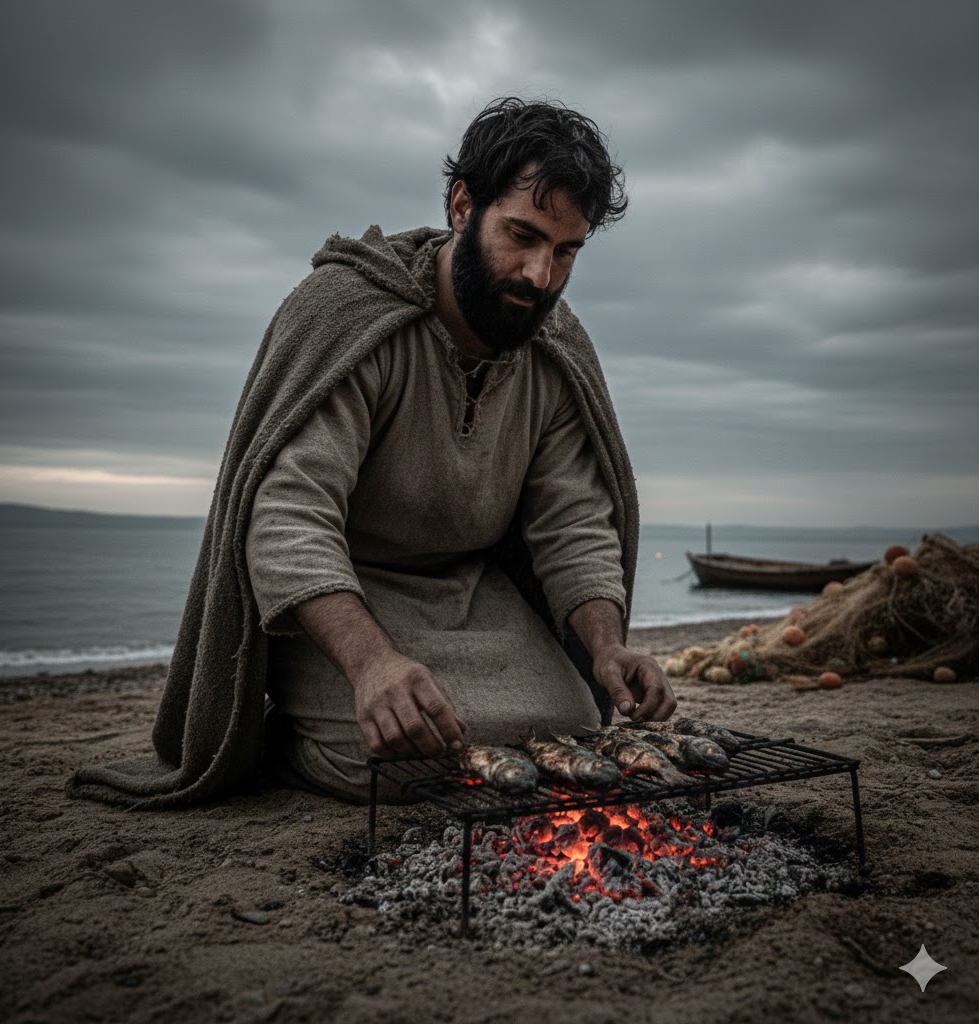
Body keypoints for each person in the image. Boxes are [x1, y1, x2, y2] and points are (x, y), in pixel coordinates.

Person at [66, 97, 675, 810]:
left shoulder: (552, 351)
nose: (541, 274)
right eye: (523, 236)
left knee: (571, 730)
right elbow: (288, 516)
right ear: (460, 206)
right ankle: (286, 737)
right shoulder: (351, 315)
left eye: (566, 251)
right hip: (344, 602)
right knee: (403, 760)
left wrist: (606, 647)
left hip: (474, 595)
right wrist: (371, 664)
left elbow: (573, 521)